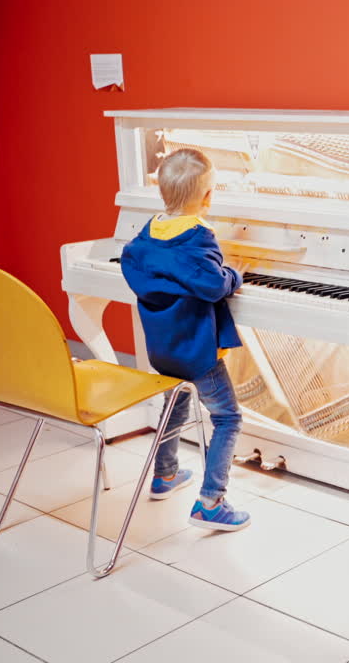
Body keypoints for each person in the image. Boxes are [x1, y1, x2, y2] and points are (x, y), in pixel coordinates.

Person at [121, 148, 252, 531]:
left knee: (175, 405)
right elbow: (213, 285)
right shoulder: (198, 239)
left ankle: (164, 476)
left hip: (164, 349)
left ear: (161, 191)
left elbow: (141, 269)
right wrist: (235, 275)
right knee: (227, 417)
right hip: (198, 351)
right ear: (208, 197)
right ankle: (211, 502)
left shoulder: (147, 235)